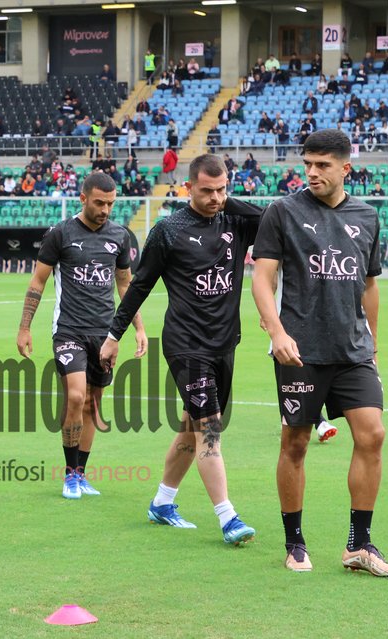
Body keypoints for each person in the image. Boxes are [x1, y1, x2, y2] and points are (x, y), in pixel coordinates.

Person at [250, 129, 388, 577]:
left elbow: (370, 284)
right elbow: (262, 279)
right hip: (301, 350)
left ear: (345, 168)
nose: (312, 173)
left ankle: (360, 545)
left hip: (353, 350)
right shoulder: (283, 212)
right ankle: (295, 543)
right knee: (295, 443)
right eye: (307, 164)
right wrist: (276, 332)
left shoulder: (367, 216)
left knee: (372, 435)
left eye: (322, 165)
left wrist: (372, 342)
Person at [99, 154, 260, 544]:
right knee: (210, 428)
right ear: (188, 188)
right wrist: (113, 334)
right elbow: (139, 286)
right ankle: (228, 518)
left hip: (225, 342)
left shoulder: (234, 220)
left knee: (192, 424)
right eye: (207, 191)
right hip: (186, 344)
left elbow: (267, 220)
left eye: (222, 189)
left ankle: (162, 502)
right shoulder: (168, 231)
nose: (216, 198)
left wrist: (227, 201)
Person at [17, 172, 145, 499]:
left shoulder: (120, 236)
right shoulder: (60, 234)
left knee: (92, 404)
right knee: (75, 396)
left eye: (110, 204)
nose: (105, 209)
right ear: (83, 198)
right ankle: (68, 476)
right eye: (99, 202)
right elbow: (37, 283)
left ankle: (80, 474)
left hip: (105, 335)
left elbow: (125, 285)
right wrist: (24, 327)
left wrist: (138, 328)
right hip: (69, 330)